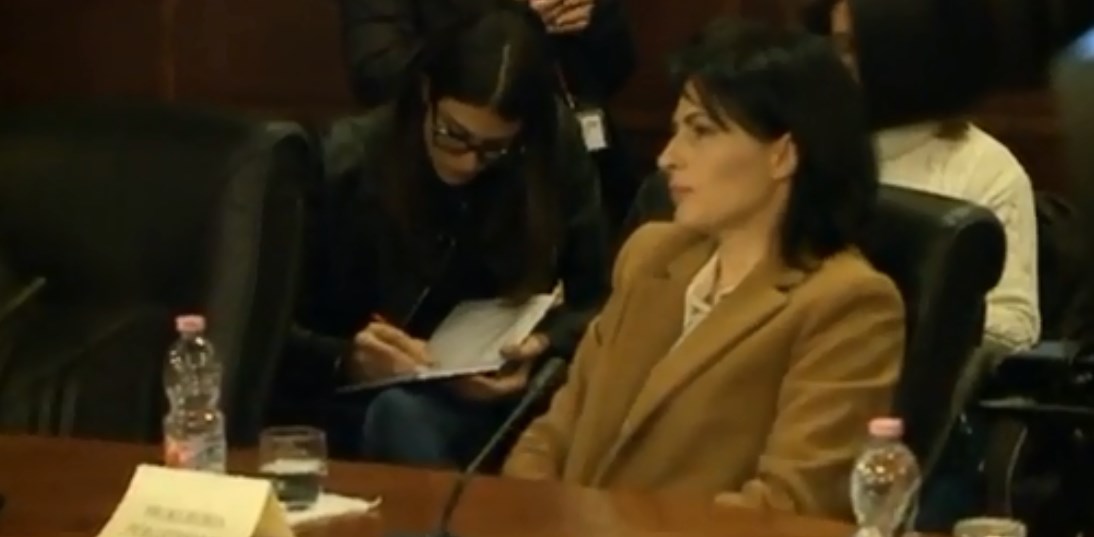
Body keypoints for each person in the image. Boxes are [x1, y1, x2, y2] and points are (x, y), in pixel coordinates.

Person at [502, 18, 905, 519]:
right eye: (676, 131)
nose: (668, 158)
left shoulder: (848, 304)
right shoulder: (651, 255)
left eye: (701, 132)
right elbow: (551, 434)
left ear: (782, 155)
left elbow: (788, 504)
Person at [292, 6, 609, 467]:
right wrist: (347, 358)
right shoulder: (346, 162)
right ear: (427, 93)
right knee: (400, 415)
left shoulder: (549, 149)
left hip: (503, 395)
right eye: (453, 135)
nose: (468, 162)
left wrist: (542, 349)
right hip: (362, 402)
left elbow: (597, 300)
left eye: (493, 148)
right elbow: (276, 335)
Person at [826, 0, 1040, 352]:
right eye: (834, 45)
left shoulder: (984, 167)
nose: (834, 65)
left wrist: (896, 320)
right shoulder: (808, 147)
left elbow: (1015, 327)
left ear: (900, 56)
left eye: (849, 48)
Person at [337, 0, 640, 244]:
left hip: (562, 161)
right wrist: (511, 30)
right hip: (432, 177)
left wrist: (595, 17)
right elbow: (376, 72)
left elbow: (618, 66)